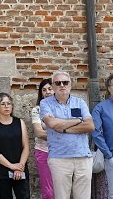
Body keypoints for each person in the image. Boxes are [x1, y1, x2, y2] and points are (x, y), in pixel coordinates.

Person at [40, 70, 94, 199]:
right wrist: (78, 120)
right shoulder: (45, 103)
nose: (62, 85)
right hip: (60, 158)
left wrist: (64, 128)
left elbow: (90, 126)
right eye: (58, 83)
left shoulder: (80, 102)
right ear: (53, 86)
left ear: (71, 84)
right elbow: (52, 124)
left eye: (65, 82)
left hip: (83, 157)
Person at [0, 92, 30, 199]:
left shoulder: (19, 122)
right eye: (3, 104)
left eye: (9, 103)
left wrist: (20, 167)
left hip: (20, 168)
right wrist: (11, 166)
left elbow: (26, 147)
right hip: (1, 170)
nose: (6, 106)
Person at [30, 79, 54, 199]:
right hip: (43, 152)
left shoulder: (62, 108)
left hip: (62, 152)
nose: (47, 92)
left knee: (62, 188)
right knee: (48, 191)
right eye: (44, 90)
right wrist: (62, 134)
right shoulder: (37, 110)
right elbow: (39, 132)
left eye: (50, 88)